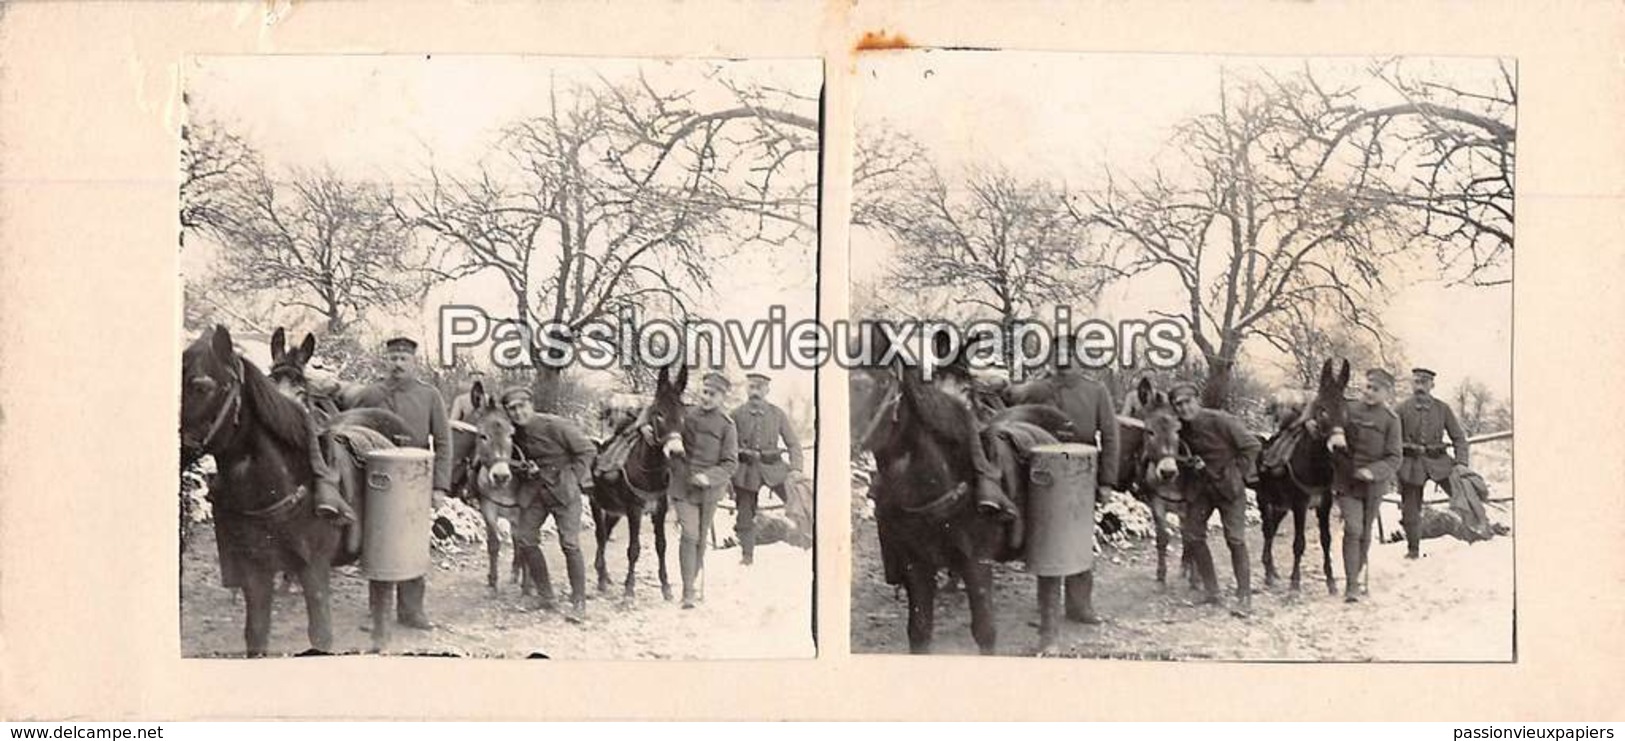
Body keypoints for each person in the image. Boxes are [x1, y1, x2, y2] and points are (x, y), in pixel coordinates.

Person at [1002, 349, 1121, 624]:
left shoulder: (1096, 390)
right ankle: (1048, 611)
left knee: (1079, 539)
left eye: (1070, 354)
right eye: (1058, 355)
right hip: (1044, 474)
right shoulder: (1039, 388)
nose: (1064, 361)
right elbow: (1010, 400)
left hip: (1081, 472)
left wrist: (1107, 482)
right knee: (1047, 542)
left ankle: (1080, 607)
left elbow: (1111, 436)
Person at [351, 336, 453, 633]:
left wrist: (440, 487)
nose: (397, 364)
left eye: (403, 359)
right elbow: (353, 427)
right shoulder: (371, 394)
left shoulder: (429, 395)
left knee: (413, 542)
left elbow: (444, 442)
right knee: (378, 541)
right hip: (378, 478)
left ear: (414, 362)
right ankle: (377, 612)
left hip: (415, 479)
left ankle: (412, 610)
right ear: (387, 361)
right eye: (393, 358)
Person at [502, 385, 597, 622]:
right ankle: (546, 596)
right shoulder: (513, 433)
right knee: (525, 538)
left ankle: (579, 602)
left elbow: (587, 450)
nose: (517, 413)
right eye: (511, 409)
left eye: (521, 406)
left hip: (563, 492)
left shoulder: (554, 425)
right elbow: (510, 459)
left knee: (570, 544)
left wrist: (572, 478)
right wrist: (524, 468)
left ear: (531, 405)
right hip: (535, 492)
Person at [1168, 381, 1262, 617]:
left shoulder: (1220, 420)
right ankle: (1212, 591)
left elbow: (1252, 446)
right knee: (1192, 534)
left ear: (1196, 400)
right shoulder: (1181, 429)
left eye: (1187, 402)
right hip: (1202, 489)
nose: (1183, 409)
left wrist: (1236, 473)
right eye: (1178, 405)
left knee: (1235, 539)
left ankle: (1244, 596)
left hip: (1229, 489)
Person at [667, 371, 739, 609]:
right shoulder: (686, 415)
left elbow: (731, 463)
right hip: (682, 486)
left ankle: (692, 584)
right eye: (705, 392)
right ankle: (688, 591)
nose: (706, 397)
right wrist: (671, 440)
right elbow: (668, 426)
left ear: (722, 398)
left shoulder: (727, 426)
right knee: (690, 534)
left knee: (700, 539)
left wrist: (708, 478)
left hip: (708, 492)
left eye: (712, 394)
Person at [1334, 368, 1404, 602]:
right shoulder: (1349, 409)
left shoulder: (1391, 420)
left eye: (1376, 389)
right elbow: (1333, 428)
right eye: (1368, 387)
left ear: (1387, 393)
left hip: (1373, 486)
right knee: (1353, 529)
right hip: (1347, 480)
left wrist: (1372, 472)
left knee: (1365, 533)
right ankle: (1352, 585)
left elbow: (1395, 457)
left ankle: (1357, 572)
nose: (1370, 392)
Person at [730, 372, 804, 565]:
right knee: (745, 511)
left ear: (767, 390)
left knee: (800, 496)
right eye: (752, 387)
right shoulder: (736, 414)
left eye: (759, 388)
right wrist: (740, 454)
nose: (755, 392)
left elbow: (793, 443)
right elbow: (727, 445)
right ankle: (747, 556)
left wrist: (796, 468)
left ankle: (809, 539)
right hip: (746, 469)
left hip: (773, 467)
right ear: (747, 388)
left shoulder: (777, 414)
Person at [1397, 367, 1471, 559]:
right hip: (1411, 464)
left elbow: (1459, 438)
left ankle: (1478, 532)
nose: (1419, 386)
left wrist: (1462, 463)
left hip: (1439, 461)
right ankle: (1413, 549)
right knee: (1410, 509)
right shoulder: (1401, 408)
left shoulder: (1442, 408)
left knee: (1465, 491)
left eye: (1424, 382)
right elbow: (1390, 439)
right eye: (1416, 382)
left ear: (1432, 385)